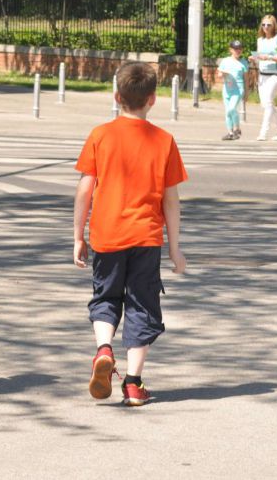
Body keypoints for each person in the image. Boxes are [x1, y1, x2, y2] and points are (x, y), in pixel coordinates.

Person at [73, 61, 188, 406]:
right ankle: (134, 384)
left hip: (107, 234)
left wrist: (78, 235)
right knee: (142, 305)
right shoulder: (164, 141)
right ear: (152, 99)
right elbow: (171, 200)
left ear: (116, 96)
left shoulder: (100, 135)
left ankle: (103, 349)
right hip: (146, 237)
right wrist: (176, 247)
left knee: (105, 298)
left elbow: (84, 190)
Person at [249, 14, 277, 141]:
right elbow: (259, 57)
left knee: (268, 102)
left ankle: (263, 132)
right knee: (266, 104)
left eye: (269, 25)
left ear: (274, 26)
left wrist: (270, 57)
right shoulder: (260, 40)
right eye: (264, 24)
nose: (266, 27)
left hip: (275, 74)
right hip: (262, 74)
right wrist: (254, 58)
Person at [216, 39, 249, 140]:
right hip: (227, 89)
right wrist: (222, 74)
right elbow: (219, 74)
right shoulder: (225, 61)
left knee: (232, 108)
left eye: (240, 49)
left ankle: (237, 128)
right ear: (231, 50)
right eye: (235, 49)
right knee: (227, 112)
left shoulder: (243, 63)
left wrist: (247, 92)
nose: (238, 51)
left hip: (238, 89)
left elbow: (246, 79)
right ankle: (230, 133)